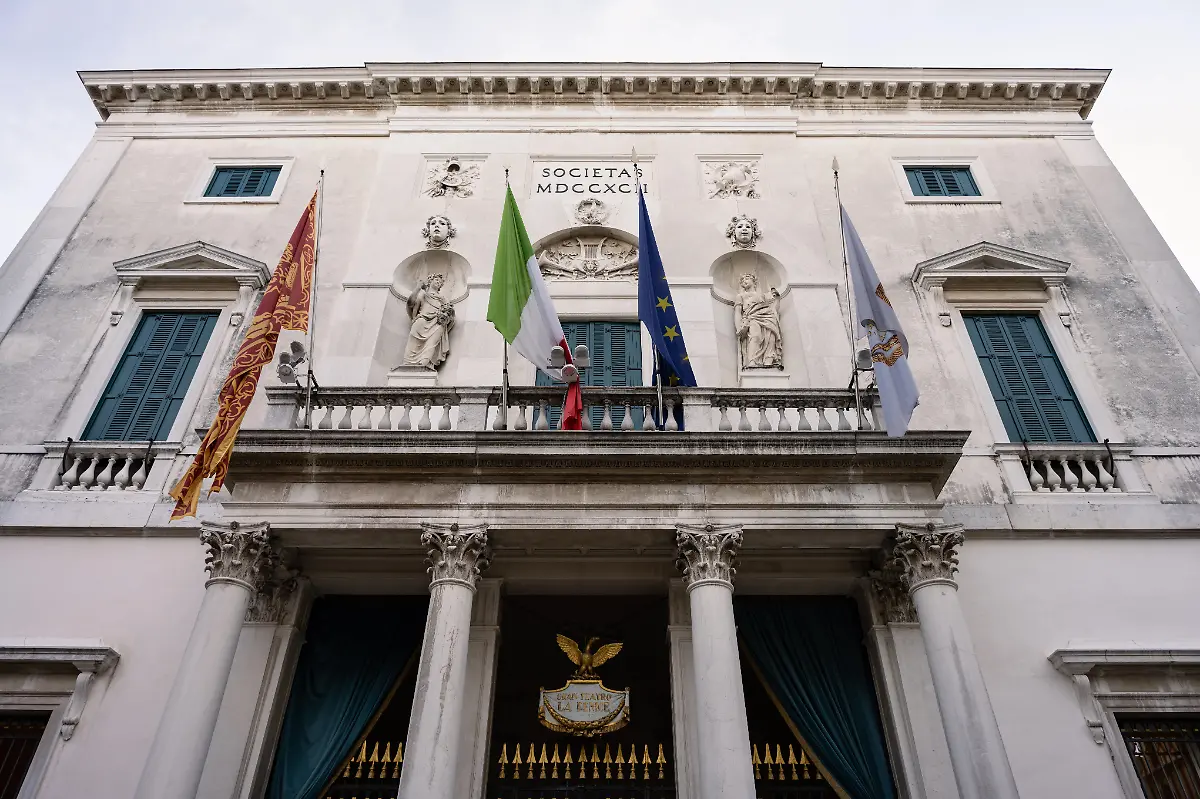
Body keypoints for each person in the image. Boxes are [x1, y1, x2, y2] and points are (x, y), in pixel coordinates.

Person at [403, 274, 454, 369]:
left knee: (431, 345)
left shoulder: (443, 298)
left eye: (440, 282)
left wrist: (446, 314)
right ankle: (408, 366)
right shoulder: (422, 294)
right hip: (421, 321)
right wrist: (418, 288)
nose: (438, 283)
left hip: (437, 324)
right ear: (430, 281)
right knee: (413, 344)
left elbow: (450, 316)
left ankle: (425, 365)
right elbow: (411, 304)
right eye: (437, 280)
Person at [734, 273, 783, 368]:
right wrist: (739, 328)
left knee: (770, 338)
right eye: (742, 280)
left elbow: (773, 310)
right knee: (755, 337)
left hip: (768, 317)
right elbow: (737, 312)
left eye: (747, 278)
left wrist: (777, 299)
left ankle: (769, 360)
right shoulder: (741, 296)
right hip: (752, 317)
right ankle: (752, 361)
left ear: (754, 281)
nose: (744, 281)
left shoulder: (763, 296)